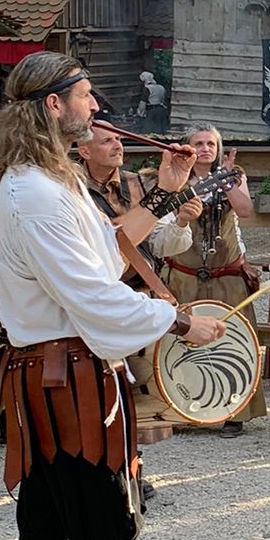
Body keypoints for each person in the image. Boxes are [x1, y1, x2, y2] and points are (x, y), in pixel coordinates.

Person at [0, 51, 222, 540]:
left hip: (51, 372)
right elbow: (92, 294)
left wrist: (166, 192)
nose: (95, 106)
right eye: (85, 95)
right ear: (52, 105)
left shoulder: (47, 181)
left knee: (47, 512)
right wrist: (180, 322)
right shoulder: (36, 193)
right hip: (67, 375)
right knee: (101, 505)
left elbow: (107, 253)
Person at [75, 125, 196, 448]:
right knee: (96, 390)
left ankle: (133, 461)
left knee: (144, 394)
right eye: (107, 141)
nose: (118, 145)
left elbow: (161, 244)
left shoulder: (140, 184)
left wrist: (181, 221)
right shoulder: (70, 187)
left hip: (141, 294)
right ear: (84, 151)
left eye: (118, 139)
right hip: (93, 299)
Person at [159, 126, 265, 435]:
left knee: (234, 339)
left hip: (227, 275)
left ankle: (235, 411)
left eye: (211, 144)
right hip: (185, 274)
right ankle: (182, 408)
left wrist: (227, 180)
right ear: (188, 147)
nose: (205, 148)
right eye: (198, 143)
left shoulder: (234, 175)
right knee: (181, 342)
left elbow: (245, 210)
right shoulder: (177, 179)